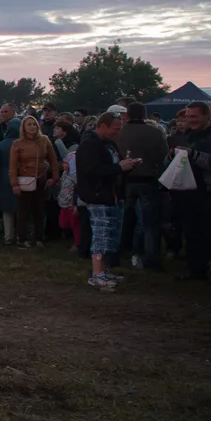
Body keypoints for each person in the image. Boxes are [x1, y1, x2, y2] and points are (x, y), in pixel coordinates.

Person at [75, 111, 140, 292]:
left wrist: (127, 165)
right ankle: (97, 275)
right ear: (102, 126)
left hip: (112, 195)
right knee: (101, 235)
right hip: (98, 197)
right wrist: (119, 167)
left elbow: (112, 167)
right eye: (115, 128)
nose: (117, 132)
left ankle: (104, 270)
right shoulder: (89, 145)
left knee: (110, 235)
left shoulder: (108, 144)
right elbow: (91, 170)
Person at [175, 102, 211, 283]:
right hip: (187, 192)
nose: (189, 120)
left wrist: (193, 155)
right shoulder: (186, 135)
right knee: (191, 232)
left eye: (194, 116)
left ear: (206, 116)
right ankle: (196, 270)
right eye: (187, 116)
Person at [118, 101, 167, 270]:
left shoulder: (120, 132)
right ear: (145, 115)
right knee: (149, 223)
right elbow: (164, 155)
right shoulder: (154, 132)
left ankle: (119, 252)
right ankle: (151, 258)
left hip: (126, 180)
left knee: (124, 219)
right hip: (148, 180)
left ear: (127, 115)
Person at [8, 116, 58, 248]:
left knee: (39, 211)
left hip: (41, 179)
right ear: (24, 128)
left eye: (34, 124)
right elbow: (12, 167)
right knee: (23, 211)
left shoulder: (44, 140)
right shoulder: (17, 144)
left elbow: (53, 162)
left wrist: (54, 178)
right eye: (29, 124)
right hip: (25, 181)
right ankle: (21, 239)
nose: (32, 127)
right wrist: (14, 184)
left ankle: (38, 238)